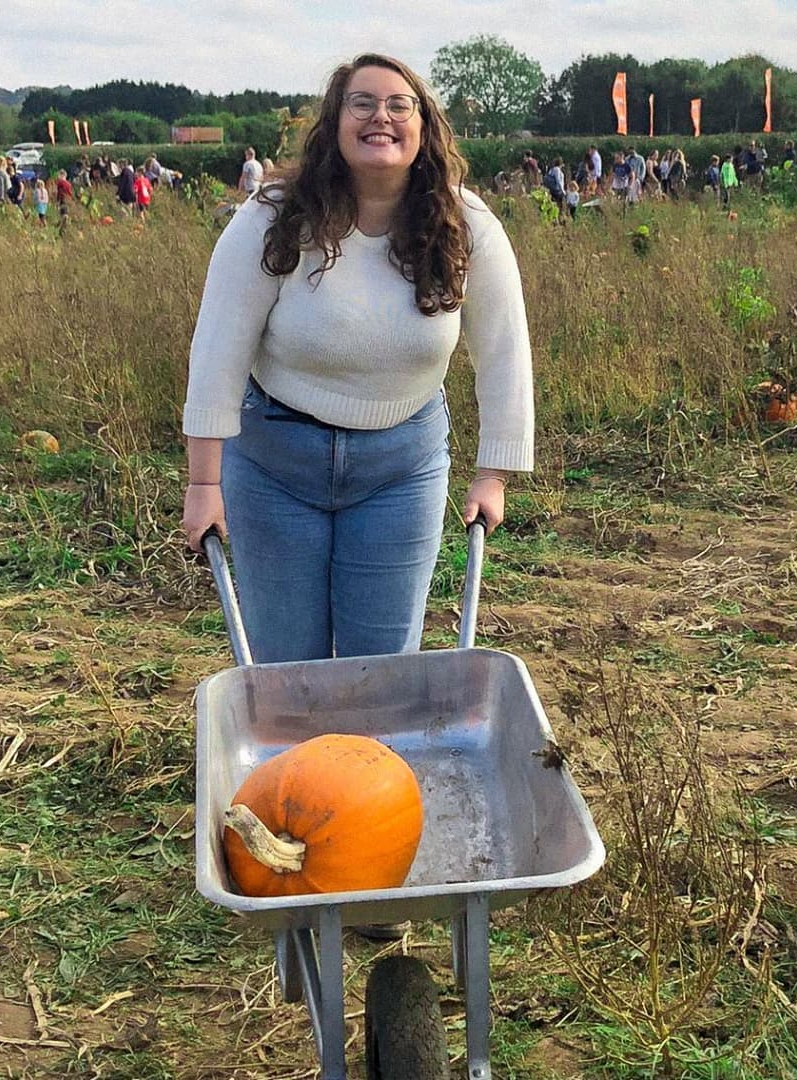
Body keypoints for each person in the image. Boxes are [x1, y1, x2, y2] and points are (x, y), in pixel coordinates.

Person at [181, 52, 533, 671]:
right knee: (289, 669)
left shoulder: (466, 223)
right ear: (335, 123)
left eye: (400, 105)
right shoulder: (274, 216)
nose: (382, 117)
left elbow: (504, 352)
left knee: (386, 670)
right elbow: (218, 348)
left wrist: (493, 475)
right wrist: (204, 483)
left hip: (401, 469)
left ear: (424, 126)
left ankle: (369, 767)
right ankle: (295, 769)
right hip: (274, 467)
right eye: (362, 103)